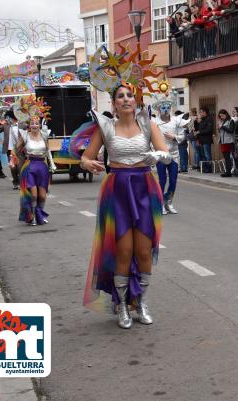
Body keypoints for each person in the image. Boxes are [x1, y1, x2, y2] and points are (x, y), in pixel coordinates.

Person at [79, 58, 171, 329]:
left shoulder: (148, 124)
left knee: (144, 251)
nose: (126, 99)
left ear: (136, 99)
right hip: (117, 189)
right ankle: (121, 306)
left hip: (144, 187)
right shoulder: (105, 127)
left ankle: (140, 302)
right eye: (120, 96)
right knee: (123, 250)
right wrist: (89, 163)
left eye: (130, 95)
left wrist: (156, 155)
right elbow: (85, 157)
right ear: (114, 103)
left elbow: (166, 154)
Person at [152, 84, 191, 214]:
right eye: (163, 107)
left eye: (168, 107)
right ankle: (160, 204)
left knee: (173, 181)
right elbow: (149, 138)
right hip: (161, 155)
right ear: (158, 108)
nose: (166, 109)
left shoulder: (176, 121)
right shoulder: (154, 122)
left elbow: (183, 136)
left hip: (174, 155)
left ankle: (169, 202)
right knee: (162, 180)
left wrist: (174, 137)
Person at [16, 112, 57, 226]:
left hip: (42, 167)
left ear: (39, 125)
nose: (34, 125)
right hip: (30, 167)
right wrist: (16, 158)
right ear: (29, 125)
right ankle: (32, 216)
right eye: (32, 123)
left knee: (42, 196)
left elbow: (48, 150)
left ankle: (40, 215)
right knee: (33, 195)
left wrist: (52, 164)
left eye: (36, 123)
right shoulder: (25, 135)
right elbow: (16, 150)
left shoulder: (44, 135)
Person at [3, 109, 21, 190]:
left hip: (20, 150)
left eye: (8, 117)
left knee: (20, 167)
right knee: (13, 167)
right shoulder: (6, 125)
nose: (7, 119)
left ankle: (21, 182)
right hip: (10, 150)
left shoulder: (22, 125)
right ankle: (15, 182)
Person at [195, 107, 214, 172]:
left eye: (201, 112)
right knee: (203, 155)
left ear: (205, 112)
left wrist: (200, 132)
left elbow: (209, 130)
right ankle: (204, 167)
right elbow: (198, 129)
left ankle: (209, 168)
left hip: (207, 140)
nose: (200, 113)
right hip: (201, 140)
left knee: (207, 154)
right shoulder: (201, 120)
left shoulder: (209, 119)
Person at [218, 109, 235, 177]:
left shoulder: (231, 121)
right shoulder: (222, 121)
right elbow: (221, 131)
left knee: (229, 157)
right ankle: (228, 171)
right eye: (220, 116)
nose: (221, 117)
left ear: (226, 114)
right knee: (226, 157)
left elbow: (231, 130)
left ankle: (229, 172)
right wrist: (219, 128)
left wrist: (222, 127)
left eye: (222, 116)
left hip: (229, 141)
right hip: (223, 141)